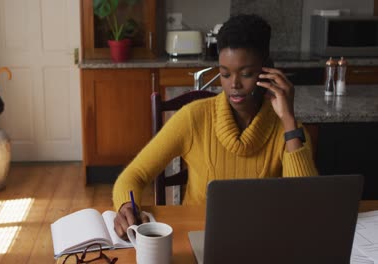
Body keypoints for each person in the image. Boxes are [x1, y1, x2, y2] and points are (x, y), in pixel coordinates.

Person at [112, 14, 318, 239]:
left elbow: (306, 204)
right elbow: (135, 174)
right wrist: (126, 207)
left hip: (263, 239)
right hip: (199, 237)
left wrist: (289, 119)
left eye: (246, 74)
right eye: (225, 74)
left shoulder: (287, 129)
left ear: (267, 70)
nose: (234, 85)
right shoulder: (194, 117)